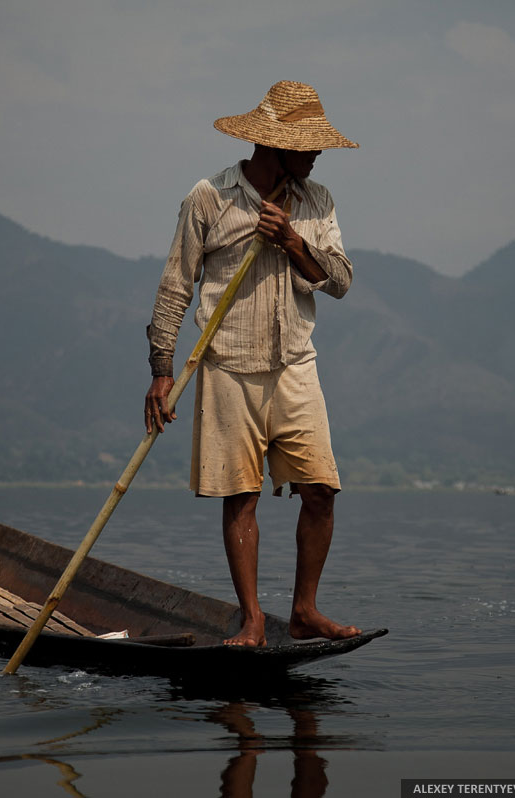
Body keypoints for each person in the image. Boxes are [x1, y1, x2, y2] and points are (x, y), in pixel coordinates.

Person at [145, 80, 361, 647]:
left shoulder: (316, 202)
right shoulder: (210, 198)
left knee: (321, 490)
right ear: (274, 144)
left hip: (295, 365)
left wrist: (290, 240)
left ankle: (305, 611)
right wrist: (161, 369)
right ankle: (254, 618)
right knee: (241, 495)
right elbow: (175, 288)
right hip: (227, 367)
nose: (316, 154)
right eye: (308, 144)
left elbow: (339, 282)